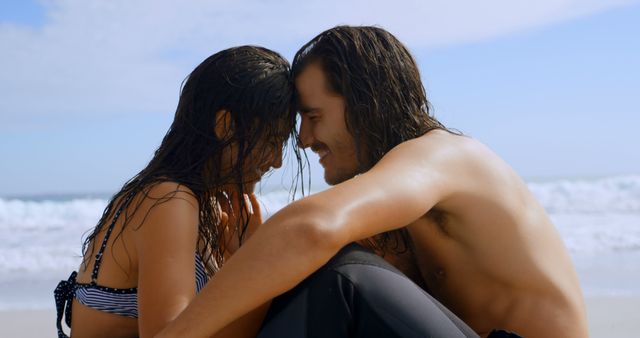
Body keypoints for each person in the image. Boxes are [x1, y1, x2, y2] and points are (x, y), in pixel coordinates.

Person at [157, 26, 589, 338]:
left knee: (340, 272)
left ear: (364, 105)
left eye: (313, 117)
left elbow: (310, 227)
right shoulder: (402, 201)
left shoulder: (443, 156)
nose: (305, 140)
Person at [54, 45, 301, 338]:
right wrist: (261, 272)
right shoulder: (170, 200)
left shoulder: (192, 201)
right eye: (272, 141)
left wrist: (239, 260)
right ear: (226, 125)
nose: (277, 160)